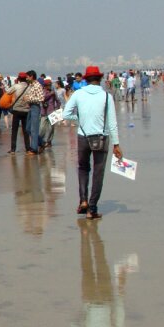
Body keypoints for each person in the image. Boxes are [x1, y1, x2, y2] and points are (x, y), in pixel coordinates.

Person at [62, 66, 122, 220]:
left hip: (83, 137)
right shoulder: (106, 97)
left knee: (83, 168)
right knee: (98, 172)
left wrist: (80, 120)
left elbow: (66, 114)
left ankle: (83, 200)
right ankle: (92, 208)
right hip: (101, 138)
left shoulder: (78, 94)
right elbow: (112, 123)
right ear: (100, 79)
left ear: (85, 79)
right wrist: (116, 144)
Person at [5, 73, 32, 154]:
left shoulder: (16, 86)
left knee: (14, 130)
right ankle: (27, 148)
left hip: (16, 110)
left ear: (19, 78)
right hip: (26, 110)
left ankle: (13, 149)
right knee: (25, 130)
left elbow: (8, 92)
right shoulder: (29, 87)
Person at [24, 70, 45, 156]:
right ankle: (41, 142)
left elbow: (41, 98)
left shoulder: (37, 85)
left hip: (35, 107)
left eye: (27, 76)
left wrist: (29, 99)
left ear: (31, 76)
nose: (26, 78)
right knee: (28, 128)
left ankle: (34, 149)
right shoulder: (31, 85)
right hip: (31, 107)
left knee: (34, 129)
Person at [39, 78, 59, 149]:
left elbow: (57, 100)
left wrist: (57, 108)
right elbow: (42, 98)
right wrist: (50, 94)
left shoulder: (53, 92)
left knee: (51, 128)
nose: (49, 86)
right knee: (42, 128)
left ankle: (49, 141)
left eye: (50, 85)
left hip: (52, 111)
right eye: (48, 85)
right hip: (44, 112)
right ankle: (41, 140)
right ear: (45, 86)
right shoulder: (42, 91)